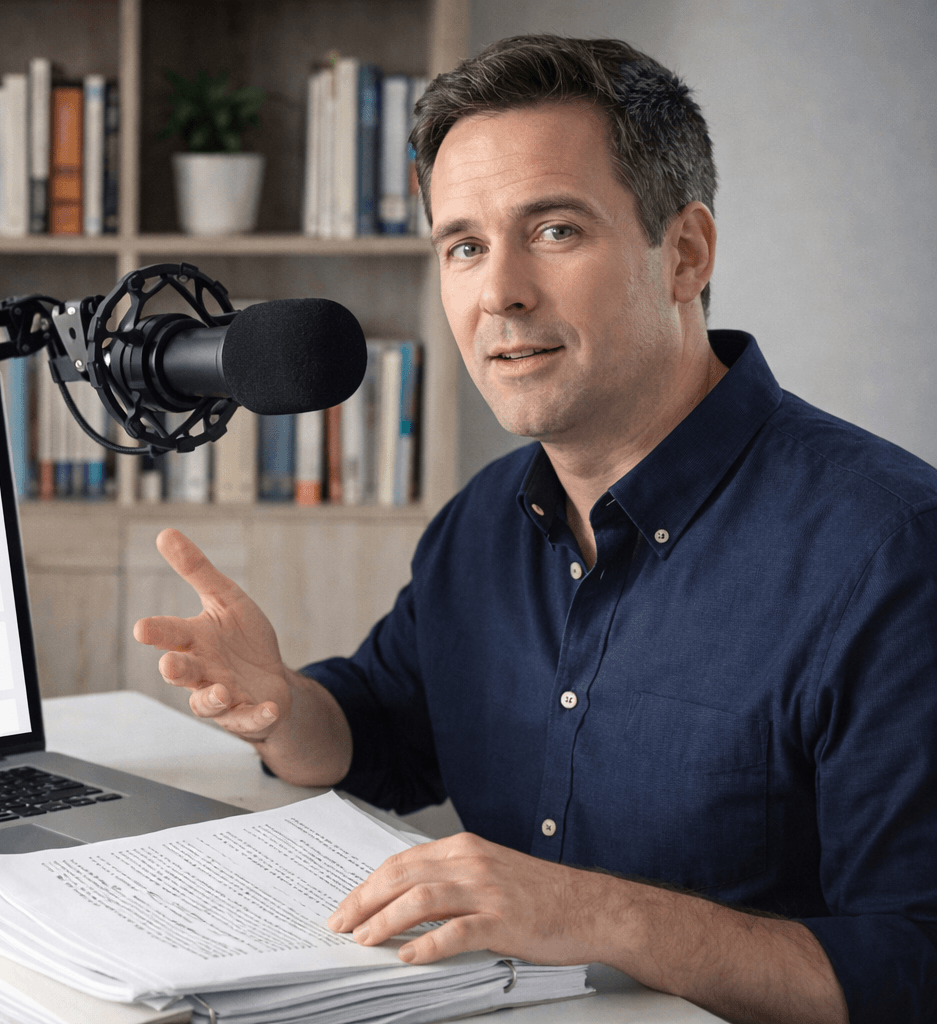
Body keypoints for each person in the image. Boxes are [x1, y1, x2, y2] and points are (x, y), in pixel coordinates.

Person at [134, 35, 935, 1024]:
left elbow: (913, 964)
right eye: (463, 244)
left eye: (553, 231)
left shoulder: (891, 547)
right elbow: (383, 731)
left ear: (685, 253)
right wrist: (281, 707)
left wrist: (600, 913)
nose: (498, 292)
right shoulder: (481, 523)